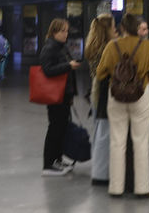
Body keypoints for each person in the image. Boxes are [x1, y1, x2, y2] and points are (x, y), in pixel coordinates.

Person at [95, 13, 149, 198]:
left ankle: (116, 188)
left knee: (117, 142)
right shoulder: (146, 46)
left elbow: (100, 73)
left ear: (122, 28)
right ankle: (142, 188)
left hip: (116, 95)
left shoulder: (112, 45)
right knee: (141, 141)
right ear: (137, 28)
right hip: (141, 94)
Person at [38, 18, 80, 175]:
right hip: (55, 95)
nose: (65, 34)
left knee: (62, 128)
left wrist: (71, 94)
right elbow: (47, 70)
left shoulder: (62, 47)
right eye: (62, 31)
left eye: (67, 31)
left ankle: (57, 159)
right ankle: (48, 163)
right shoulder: (49, 48)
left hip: (65, 94)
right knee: (55, 128)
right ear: (54, 32)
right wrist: (68, 66)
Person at [85, 13, 116, 185]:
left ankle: (99, 169)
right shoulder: (107, 48)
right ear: (107, 29)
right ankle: (101, 173)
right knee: (105, 132)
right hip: (103, 92)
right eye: (113, 27)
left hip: (95, 92)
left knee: (99, 131)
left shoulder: (92, 47)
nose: (116, 30)